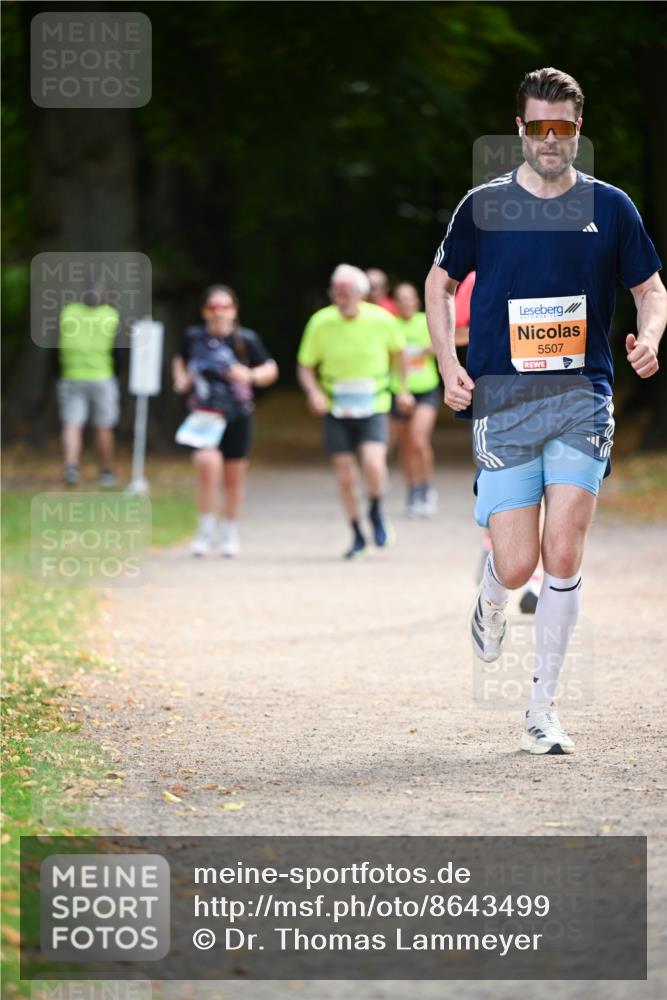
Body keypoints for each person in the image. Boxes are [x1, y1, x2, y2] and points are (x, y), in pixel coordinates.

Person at [425, 67, 666, 755]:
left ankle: (541, 710)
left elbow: (651, 289)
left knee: (561, 553)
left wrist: (647, 339)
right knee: (515, 560)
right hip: (503, 401)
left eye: (562, 128)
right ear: (519, 130)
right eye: (538, 128)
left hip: (581, 398)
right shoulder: (482, 206)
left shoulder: (610, 206)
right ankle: (491, 597)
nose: (550, 139)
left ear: (577, 130)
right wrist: (448, 364)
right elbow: (439, 284)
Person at [297, 263, 411, 559]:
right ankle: (357, 533)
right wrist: (314, 392)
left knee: (374, 463)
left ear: (361, 293)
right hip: (336, 405)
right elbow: (305, 366)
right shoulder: (320, 322)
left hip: (373, 402)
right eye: (336, 292)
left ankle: (375, 507)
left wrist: (403, 388)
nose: (340, 297)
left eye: (346, 292)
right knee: (345, 474)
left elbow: (400, 354)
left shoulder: (381, 319)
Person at [172, 285, 278, 557]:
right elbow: (180, 359)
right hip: (204, 415)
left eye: (225, 307)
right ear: (204, 311)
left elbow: (270, 368)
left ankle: (229, 530)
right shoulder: (193, 337)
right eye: (213, 307)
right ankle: (205, 530)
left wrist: (250, 376)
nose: (219, 313)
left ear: (234, 310)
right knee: (208, 467)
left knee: (234, 477)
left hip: (238, 415)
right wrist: (181, 378)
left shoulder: (246, 339)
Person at [57, 283, 121, 487]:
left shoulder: (69, 312)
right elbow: (119, 350)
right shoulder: (110, 315)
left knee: (72, 423)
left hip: (71, 374)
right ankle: (106, 471)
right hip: (102, 375)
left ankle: (71, 467)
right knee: (103, 426)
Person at [390, 282, 440, 517]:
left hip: (425, 388)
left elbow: (444, 344)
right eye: (400, 298)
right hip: (399, 390)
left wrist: (432, 348)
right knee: (406, 444)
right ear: (395, 302)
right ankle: (412, 490)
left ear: (416, 301)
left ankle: (426, 488)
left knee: (419, 439)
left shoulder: (426, 321)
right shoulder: (390, 324)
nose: (405, 302)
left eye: (409, 298)